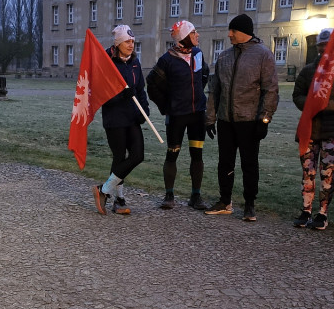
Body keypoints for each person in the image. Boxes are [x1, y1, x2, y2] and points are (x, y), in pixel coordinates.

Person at [204, 13, 279, 221]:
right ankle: (225, 201)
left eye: (233, 31)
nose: (229, 34)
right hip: (226, 120)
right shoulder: (224, 56)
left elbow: (270, 89)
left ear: (244, 33)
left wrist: (265, 119)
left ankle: (249, 204)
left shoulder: (263, 55)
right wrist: (210, 118)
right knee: (225, 162)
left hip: (249, 120)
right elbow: (214, 90)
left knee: (249, 163)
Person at [291, 28, 334, 229]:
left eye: (327, 45)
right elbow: (297, 94)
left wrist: (326, 105)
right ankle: (306, 210)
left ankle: (323, 213)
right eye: (321, 46)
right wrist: (311, 104)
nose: (323, 49)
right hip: (310, 128)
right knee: (307, 172)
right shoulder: (309, 69)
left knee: (327, 172)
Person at [147, 20, 212, 210]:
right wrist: (166, 106)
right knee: (172, 155)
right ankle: (169, 195)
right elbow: (151, 84)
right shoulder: (167, 60)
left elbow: (204, 74)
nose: (197, 36)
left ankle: (196, 196)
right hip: (177, 116)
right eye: (194, 33)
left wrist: (199, 94)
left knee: (197, 155)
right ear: (184, 37)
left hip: (197, 114)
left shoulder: (198, 54)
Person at [91, 25, 150, 215]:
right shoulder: (107, 62)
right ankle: (119, 199)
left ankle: (104, 190)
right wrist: (121, 95)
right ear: (118, 43)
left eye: (133, 41)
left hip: (132, 117)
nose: (131, 45)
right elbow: (101, 93)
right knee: (119, 158)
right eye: (127, 41)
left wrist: (144, 111)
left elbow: (140, 88)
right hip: (114, 118)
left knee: (137, 155)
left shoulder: (134, 62)